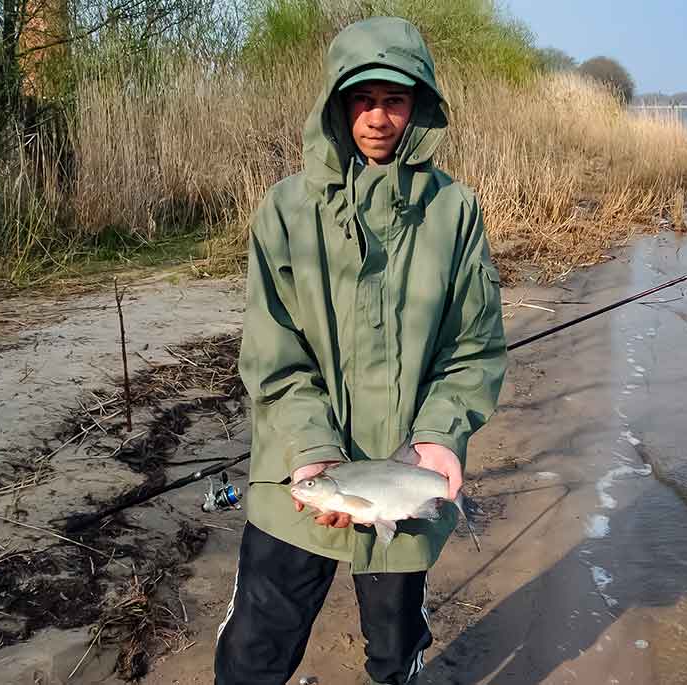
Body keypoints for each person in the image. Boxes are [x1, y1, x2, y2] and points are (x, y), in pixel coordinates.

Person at [214, 16, 507, 685]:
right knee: (253, 654)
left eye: (396, 99)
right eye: (363, 99)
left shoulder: (455, 211)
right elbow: (273, 353)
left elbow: (474, 347)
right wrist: (310, 449)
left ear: (419, 106)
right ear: (338, 104)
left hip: (402, 481)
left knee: (394, 653)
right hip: (298, 475)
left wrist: (440, 435)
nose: (378, 116)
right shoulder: (284, 210)